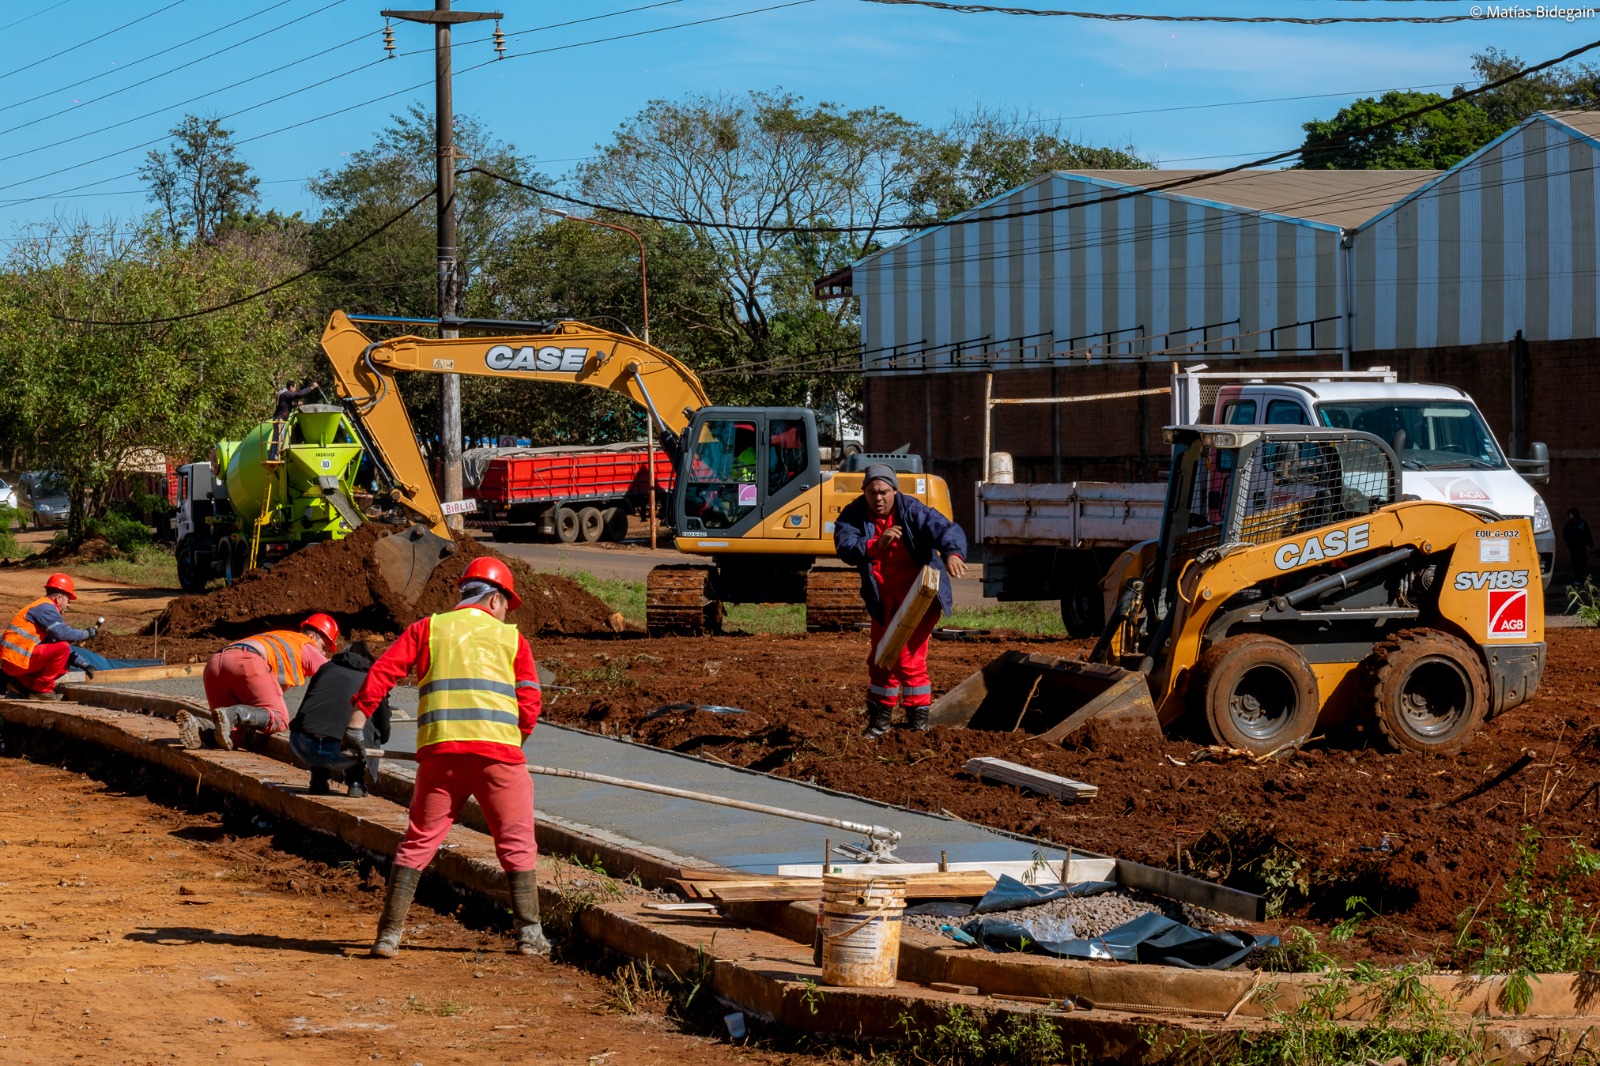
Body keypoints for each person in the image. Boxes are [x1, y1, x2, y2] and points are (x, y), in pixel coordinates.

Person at [349, 556, 548, 959]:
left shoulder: (429, 628)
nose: (507, 613)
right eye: (507, 605)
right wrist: (514, 740)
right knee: (516, 842)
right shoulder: (512, 641)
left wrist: (356, 723)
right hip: (500, 758)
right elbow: (530, 702)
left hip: (441, 755)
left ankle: (388, 935)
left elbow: (384, 671)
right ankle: (530, 935)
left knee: (419, 841)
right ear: (494, 600)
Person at [833, 464, 968, 738]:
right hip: (884, 600)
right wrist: (875, 545)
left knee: (907, 659)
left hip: (921, 596)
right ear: (864, 493)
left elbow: (945, 528)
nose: (878, 498)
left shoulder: (912, 510)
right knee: (880, 658)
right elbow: (845, 546)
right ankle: (880, 723)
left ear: (894, 490)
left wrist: (953, 553)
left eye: (884, 492)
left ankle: (917, 725)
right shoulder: (853, 514)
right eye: (872, 493)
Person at [192, 613, 339, 751]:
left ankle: (199, 727)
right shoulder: (306, 645)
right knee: (279, 718)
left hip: (215, 664)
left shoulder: (280, 637)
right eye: (324, 647)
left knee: (232, 736)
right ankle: (235, 714)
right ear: (312, 636)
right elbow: (335, 676)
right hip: (246, 661)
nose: (324, 653)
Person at [289, 640, 392, 798]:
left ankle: (318, 780)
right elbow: (383, 731)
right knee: (362, 729)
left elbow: (305, 710)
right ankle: (355, 782)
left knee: (322, 723)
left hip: (302, 746)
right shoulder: (373, 679)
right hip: (341, 754)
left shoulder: (325, 669)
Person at [1, 573, 98, 700]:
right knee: (62, 648)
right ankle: (42, 691)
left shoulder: (41, 607)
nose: (68, 605)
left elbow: (54, 641)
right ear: (58, 598)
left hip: (14, 661)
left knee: (63, 663)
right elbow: (62, 635)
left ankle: (23, 685)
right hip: (16, 660)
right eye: (68, 600)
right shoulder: (46, 608)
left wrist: (84, 664)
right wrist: (86, 634)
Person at [1566, 507, 1594, 586]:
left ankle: (1581, 577)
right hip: (1573, 547)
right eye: (1569, 514)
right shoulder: (1569, 524)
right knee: (1575, 563)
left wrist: (1590, 544)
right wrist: (1570, 544)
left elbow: (1587, 534)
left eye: (1571, 514)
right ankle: (1577, 578)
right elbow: (1566, 535)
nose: (1570, 515)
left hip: (1582, 546)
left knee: (1583, 562)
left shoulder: (1583, 523)